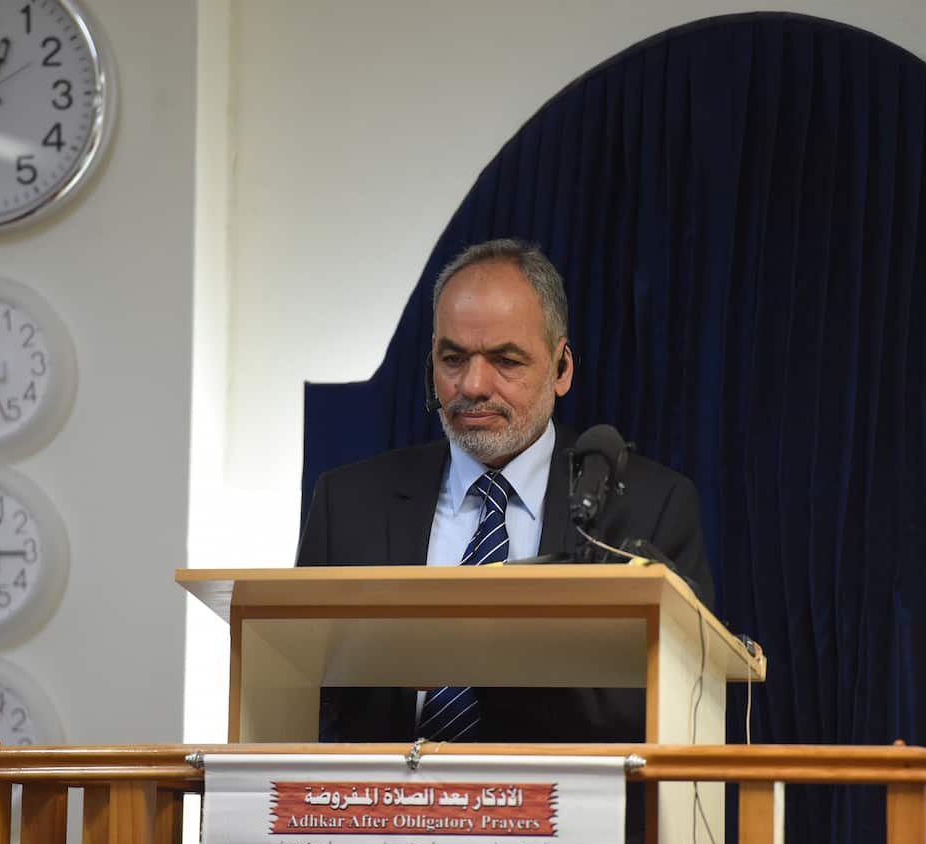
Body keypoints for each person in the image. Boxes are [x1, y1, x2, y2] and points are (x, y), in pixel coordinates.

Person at [296, 235, 713, 739]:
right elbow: (302, 695)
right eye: (453, 359)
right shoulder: (349, 503)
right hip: (384, 812)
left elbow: (678, 707)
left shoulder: (648, 508)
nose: (472, 385)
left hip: (571, 810)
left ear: (561, 368)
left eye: (505, 361)